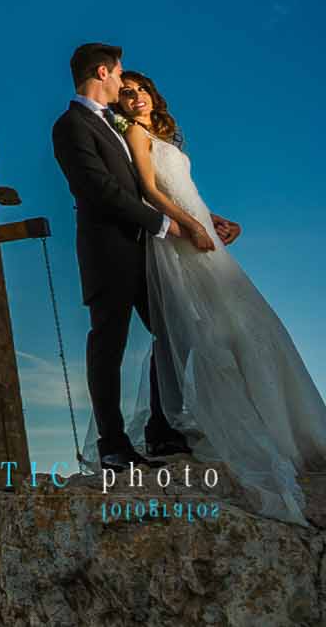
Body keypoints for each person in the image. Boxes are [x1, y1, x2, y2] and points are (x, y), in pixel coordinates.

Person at [99, 70, 326, 525]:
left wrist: (216, 219)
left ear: (152, 96)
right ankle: (192, 428)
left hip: (202, 231)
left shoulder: (163, 137)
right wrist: (194, 227)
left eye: (141, 90)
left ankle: (284, 428)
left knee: (248, 324)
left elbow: (184, 189)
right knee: (202, 330)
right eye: (126, 92)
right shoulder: (136, 135)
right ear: (120, 104)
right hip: (177, 240)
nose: (135, 97)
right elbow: (149, 190)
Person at [51, 43, 194, 471]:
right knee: (108, 345)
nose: (123, 82)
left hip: (145, 253)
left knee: (176, 331)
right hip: (108, 252)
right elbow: (99, 189)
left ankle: (160, 429)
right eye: (119, 74)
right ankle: (112, 444)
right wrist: (164, 226)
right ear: (102, 71)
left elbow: (151, 186)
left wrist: (201, 219)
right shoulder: (70, 126)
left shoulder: (117, 125)